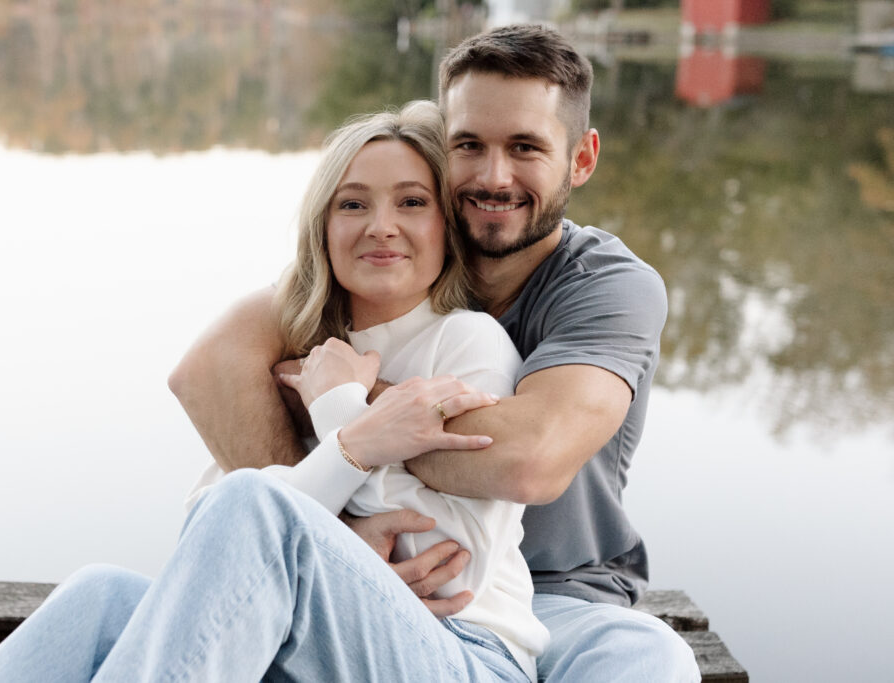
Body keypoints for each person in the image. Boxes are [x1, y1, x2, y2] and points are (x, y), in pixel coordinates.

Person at [169, 24, 700, 682]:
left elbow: (528, 459)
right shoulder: (391, 259)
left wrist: (350, 408)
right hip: (369, 571)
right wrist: (330, 543)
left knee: (650, 657)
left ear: (582, 159)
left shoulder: (607, 286)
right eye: (469, 145)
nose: (493, 175)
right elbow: (211, 369)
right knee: (104, 598)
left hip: (558, 597)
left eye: (526, 147)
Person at [0, 101, 549, 682]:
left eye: (412, 202)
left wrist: (341, 421)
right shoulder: (307, 348)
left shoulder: (468, 343)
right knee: (99, 596)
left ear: (445, 224)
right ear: (322, 225)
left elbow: (449, 574)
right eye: (353, 203)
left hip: (460, 652)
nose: (380, 225)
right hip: (320, 638)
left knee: (256, 502)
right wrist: (345, 503)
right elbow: (211, 534)